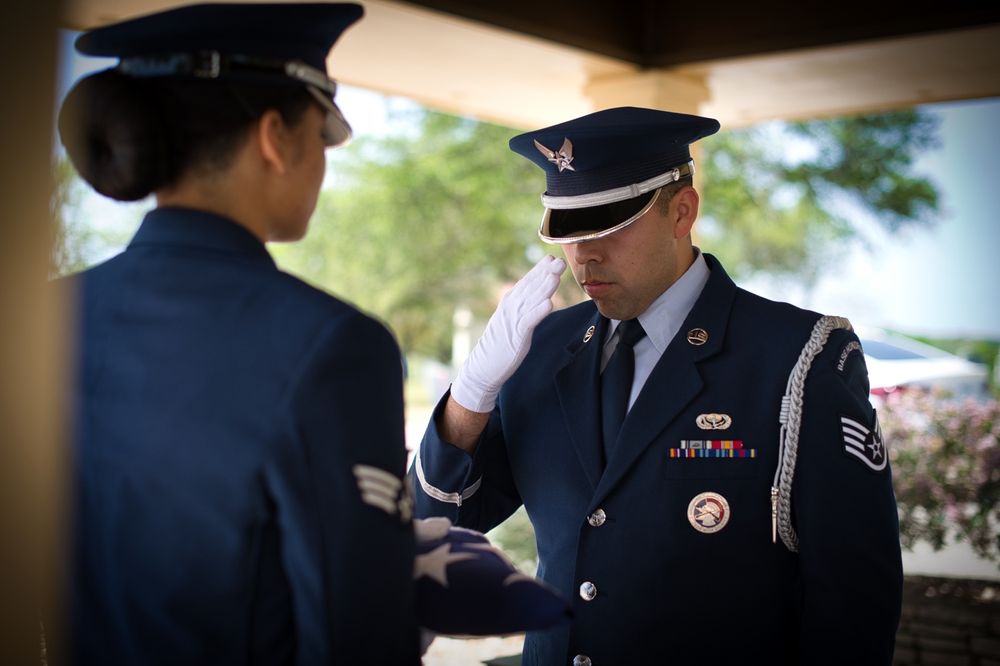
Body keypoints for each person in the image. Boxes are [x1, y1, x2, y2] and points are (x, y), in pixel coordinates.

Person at [412, 106, 903, 665]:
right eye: (570, 229)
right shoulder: (538, 349)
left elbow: (854, 601)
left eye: (610, 224)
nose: (585, 253)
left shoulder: (796, 356)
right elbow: (435, 527)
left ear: (682, 211)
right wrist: (471, 395)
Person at [57, 4, 421, 664]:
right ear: (275, 137)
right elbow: (357, 634)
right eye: (323, 133)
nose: (323, 160)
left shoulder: (42, 316)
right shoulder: (334, 346)